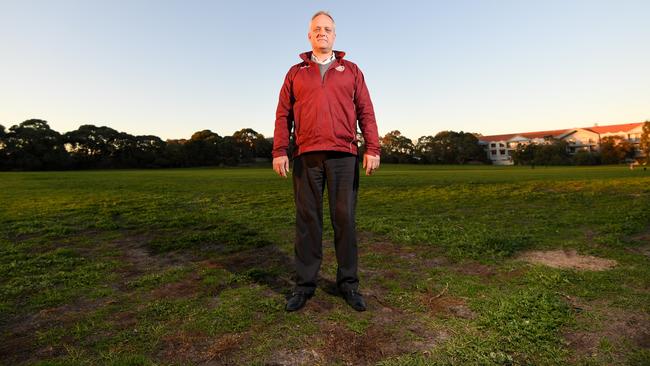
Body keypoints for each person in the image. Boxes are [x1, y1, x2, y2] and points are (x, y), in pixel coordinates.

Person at [272, 10, 381, 312]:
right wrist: (280, 149)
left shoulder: (352, 70)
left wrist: (373, 147)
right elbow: (283, 115)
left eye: (328, 29)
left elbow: (366, 111)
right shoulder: (295, 73)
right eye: (317, 29)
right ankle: (304, 286)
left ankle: (349, 284)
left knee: (345, 219)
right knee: (308, 222)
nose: (322, 33)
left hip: (344, 155)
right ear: (309, 35)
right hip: (306, 155)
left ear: (335, 36)